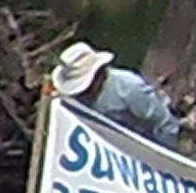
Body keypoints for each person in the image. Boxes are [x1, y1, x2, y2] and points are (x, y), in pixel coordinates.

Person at [49, 41, 181, 149]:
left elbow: (165, 123)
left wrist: (165, 157)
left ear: (99, 75)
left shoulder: (129, 88)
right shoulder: (77, 98)